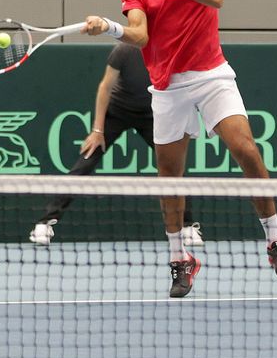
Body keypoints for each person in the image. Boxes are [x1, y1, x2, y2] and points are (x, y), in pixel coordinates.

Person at [83, 0, 277, 298]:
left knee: (246, 149)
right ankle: (180, 259)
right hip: (168, 86)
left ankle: (275, 242)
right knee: (169, 178)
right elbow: (139, 35)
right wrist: (109, 27)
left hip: (212, 74)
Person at [30, 43, 203, 248]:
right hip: (118, 111)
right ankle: (45, 223)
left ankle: (187, 227)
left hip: (152, 113)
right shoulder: (124, 51)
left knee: (174, 168)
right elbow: (105, 86)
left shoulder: (169, 48)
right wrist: (97, 131)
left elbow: (182, 85)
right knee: (85, 163)